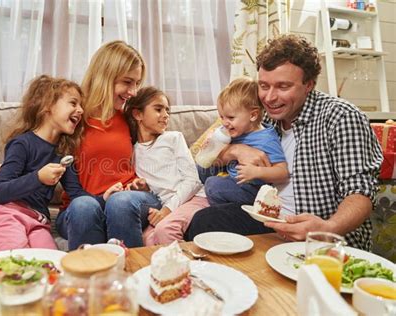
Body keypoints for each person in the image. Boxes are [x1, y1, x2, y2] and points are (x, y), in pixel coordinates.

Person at [185, 34, 382, 251]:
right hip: (269, 221)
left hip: (323, 238)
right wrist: (236, 150)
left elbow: (360, 192)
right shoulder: (262, 115)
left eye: (283, 86)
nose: (269, 97)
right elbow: (208, 158)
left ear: (309, 84)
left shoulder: (341, 117)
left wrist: (328, 228)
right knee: (205, 221)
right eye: (264, 85)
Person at [0, 41, 161, 250]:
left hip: (131, 202)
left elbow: (161, 153)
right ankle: (87, 276)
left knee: (120, 203)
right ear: (105, 77)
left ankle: (133, 277)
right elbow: (37, 149)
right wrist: (7, 175)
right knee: (84, 207)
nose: (133, 92)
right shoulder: (70, 119)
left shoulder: (132, 117)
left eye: (137, 83)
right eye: (127, 82)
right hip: (82, 207)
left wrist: (146, 184)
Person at [0, 75, 96, 253]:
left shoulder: (64, 153)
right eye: (73, 103)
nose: (80, 110)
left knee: (52, 267)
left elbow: (77, 194)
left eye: (81, 105)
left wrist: (105, 199)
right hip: (8, 214)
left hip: (39, 222)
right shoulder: (22, 144)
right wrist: (38, 178)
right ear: (48, 106)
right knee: (15, 268)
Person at [123, 86, 204, 246]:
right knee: (148, 239)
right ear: (138, 114)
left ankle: (185, 269)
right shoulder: (133, 151)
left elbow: (193, 181)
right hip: (166, 205)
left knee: (165, 230)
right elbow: (158, 187)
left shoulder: (174, 138)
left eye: (167, 110)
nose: (166, 115)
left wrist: (167, 210)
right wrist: (143, 189)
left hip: (195, 198)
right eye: (158, 109)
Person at [203, 77, 288, 206]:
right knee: (200, 168)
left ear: (253, 115)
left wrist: (256, 172)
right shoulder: (234, 128)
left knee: (212, 185)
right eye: (222, 117)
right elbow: (215, 156)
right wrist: (211, 142)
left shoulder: (266, 139)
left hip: (252, 189)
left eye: (230, 117)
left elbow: (282, 172)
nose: (225, 123)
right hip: (230, 177)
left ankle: (224, 209)